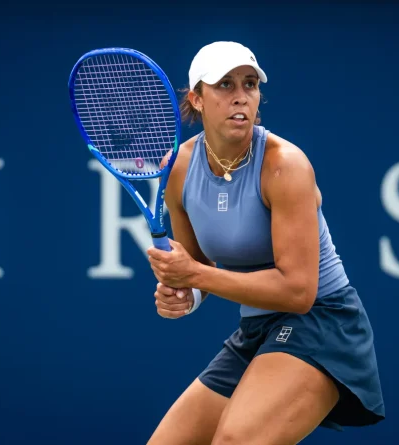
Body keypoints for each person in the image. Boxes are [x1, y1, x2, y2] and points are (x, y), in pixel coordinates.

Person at [145, 41, 385, 445]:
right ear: (196, 99)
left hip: (323, 322)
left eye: (250, 84)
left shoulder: (284, 165)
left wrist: (195, 274)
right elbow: (199, 268)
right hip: (258, 326)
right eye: (224, 84)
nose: (240, 95)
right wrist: (185, 296)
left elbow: (298, 292)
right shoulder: (180, 169)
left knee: (235, 442)